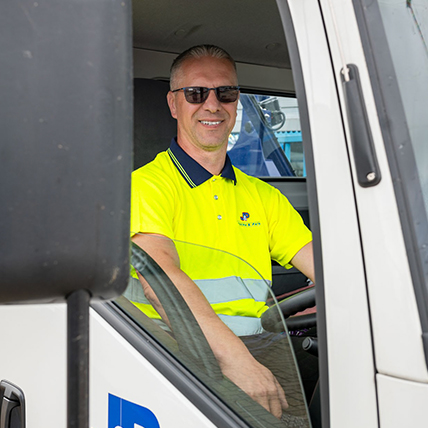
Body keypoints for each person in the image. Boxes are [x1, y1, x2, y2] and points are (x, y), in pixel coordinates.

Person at [130, 45, 315, 420]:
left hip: (264, 346)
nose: (212, 105)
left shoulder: (264, 196)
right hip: (178, 352)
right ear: (173, 104)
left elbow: (332, 274)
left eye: (225, 93)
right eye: (196, 93)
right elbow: (160, 279)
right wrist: (237, 361)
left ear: (237, 102)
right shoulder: (147, 186)